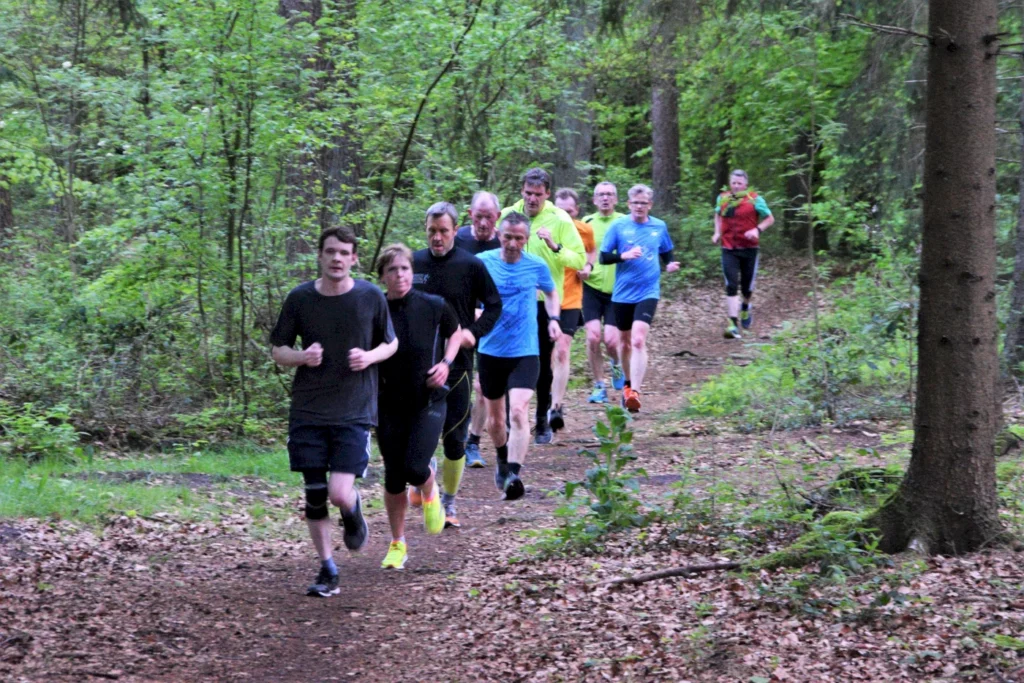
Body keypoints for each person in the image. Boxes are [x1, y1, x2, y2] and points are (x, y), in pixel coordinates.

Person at [270, 226, 398, 597]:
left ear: (354, 258)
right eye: (330, 252)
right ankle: (327, 569)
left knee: (339, 492)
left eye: (344, 252)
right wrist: (302, 357)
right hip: (308, 410)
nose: (337, 258)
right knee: (314, 494)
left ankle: (352, 512)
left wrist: (369, 357)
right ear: (320, 256)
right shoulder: (300, 298)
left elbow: (391, 343)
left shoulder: (370, 296)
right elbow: (278, 350)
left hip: (354, 409)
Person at [412, 202, 502, 528]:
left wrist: (472, 333)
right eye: (432, 231)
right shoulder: (413, 262)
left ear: (455, 230)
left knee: (454, 439)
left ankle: (449, 501)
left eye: (443, 231)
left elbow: (494, 306)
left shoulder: (470, 265)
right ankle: (423, 477)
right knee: (416, 436)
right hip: (417, 365)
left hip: (458, 365)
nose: (437, 237)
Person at [375, 244, 462, 569]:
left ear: (412, 272)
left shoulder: (433, 304)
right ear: (382, 276)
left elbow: (456, 334)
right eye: (392, 270)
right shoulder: (376, 310)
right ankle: (398, 544)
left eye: (405, 269)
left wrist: (446, 364)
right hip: (388, 403)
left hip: (428, 400)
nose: (400, 275)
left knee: (414, 467)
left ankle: (429, 488)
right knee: (393, 476)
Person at [477, 211, 561, 500]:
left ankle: (514, 474)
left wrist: (554, 319)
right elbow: (466, 294)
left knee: (518, 410)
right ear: (499, 235)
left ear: (526, 239)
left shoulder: (536, 265)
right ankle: (502, 457)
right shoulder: (482, 262)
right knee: (495, 421)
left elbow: (551, 293)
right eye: (508, 237)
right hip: (490, 350)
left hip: (525, 350)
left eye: (519, 238)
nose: (512, 243)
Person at [499, 168, 585, 444]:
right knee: (510, 359)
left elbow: (580, 260)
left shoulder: (560, 219)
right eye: (528, 193)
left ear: (547, 194)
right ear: (521, 191)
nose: (532, 199)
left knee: (542, 363)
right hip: (512, 301)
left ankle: (541, 421)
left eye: (538, 194)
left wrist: (554, 246)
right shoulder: (509, 215)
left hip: (545, 302)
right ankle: (511, 419)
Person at [599, 184, 680, 413]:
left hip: (648, 291)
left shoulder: (659, 226)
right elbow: (604, 257)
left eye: (643, 203)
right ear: (628, 204)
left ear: (650, 205)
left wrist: (670, 264)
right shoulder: (619, 226)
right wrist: (623, 256)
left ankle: (635, 390)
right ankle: (627, 385)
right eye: (635, 203)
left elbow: (666, 251)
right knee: (624, 343)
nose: (639, 207)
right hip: (623, 293)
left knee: (637, 340)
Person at [454, 191, 502, 468]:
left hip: (491, 322)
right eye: (479, 217)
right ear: (470, 214)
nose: (483, 223)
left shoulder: (505, 241)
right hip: (457, 321)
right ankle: (452, 434)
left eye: (489, 217)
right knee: (457, 383)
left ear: (498, 217)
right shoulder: (457, 238)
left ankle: (473, 442)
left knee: (483, 385)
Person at [549, 188, 595, 430]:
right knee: (547, 354)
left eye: (569, 211)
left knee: (562, 350)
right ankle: (548, 395)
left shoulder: (584, 230)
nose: (565, 215)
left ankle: (556, 406)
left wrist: (587, 267)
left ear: (576, 210)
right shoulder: (543, 229)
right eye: (560, 210)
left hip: (571, 298)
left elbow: (591, 251)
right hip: (545, 297)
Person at [713, 169, 774, 339]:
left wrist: (757, 230)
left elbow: (770, 219)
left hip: (750, 249)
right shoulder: (723, 198)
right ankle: (732, 323)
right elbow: (717, 215)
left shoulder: (754, 199)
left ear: (745, 185)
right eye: (733, 183)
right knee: (731, 284)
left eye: (739, 183)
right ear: (730, 183)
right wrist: (717, 232)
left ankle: (745, 307)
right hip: (728, 248)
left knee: (747, 287)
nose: (736, 186)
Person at [581, 182, 627, 404]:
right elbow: (578, 250)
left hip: (617, 290)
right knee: (592, 337)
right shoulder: (587, 222)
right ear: (594, 200)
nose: (605, 198)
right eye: (601, 195)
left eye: (609, 194)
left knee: (610, 341)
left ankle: (616, 365)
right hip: (591, 288)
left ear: (616, 199)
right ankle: (599, 385)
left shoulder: (625, 221)